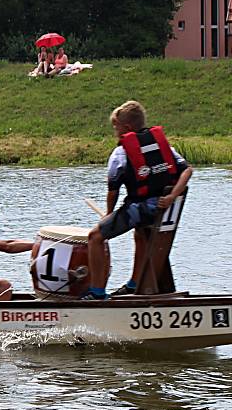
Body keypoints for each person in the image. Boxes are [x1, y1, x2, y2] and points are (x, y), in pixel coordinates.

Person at [82, 100, 193, 300]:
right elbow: (187, 170)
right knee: (140, 235)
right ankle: (134, 284)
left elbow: (113, 190)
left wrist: (108, 214)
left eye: (115, 127)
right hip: (162, 211)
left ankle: (96, 292)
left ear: (126, 128)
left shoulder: (121, 152)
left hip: (143, 209)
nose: (115, 131)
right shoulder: (163, 145)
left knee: (95, 237)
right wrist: (171, 197)